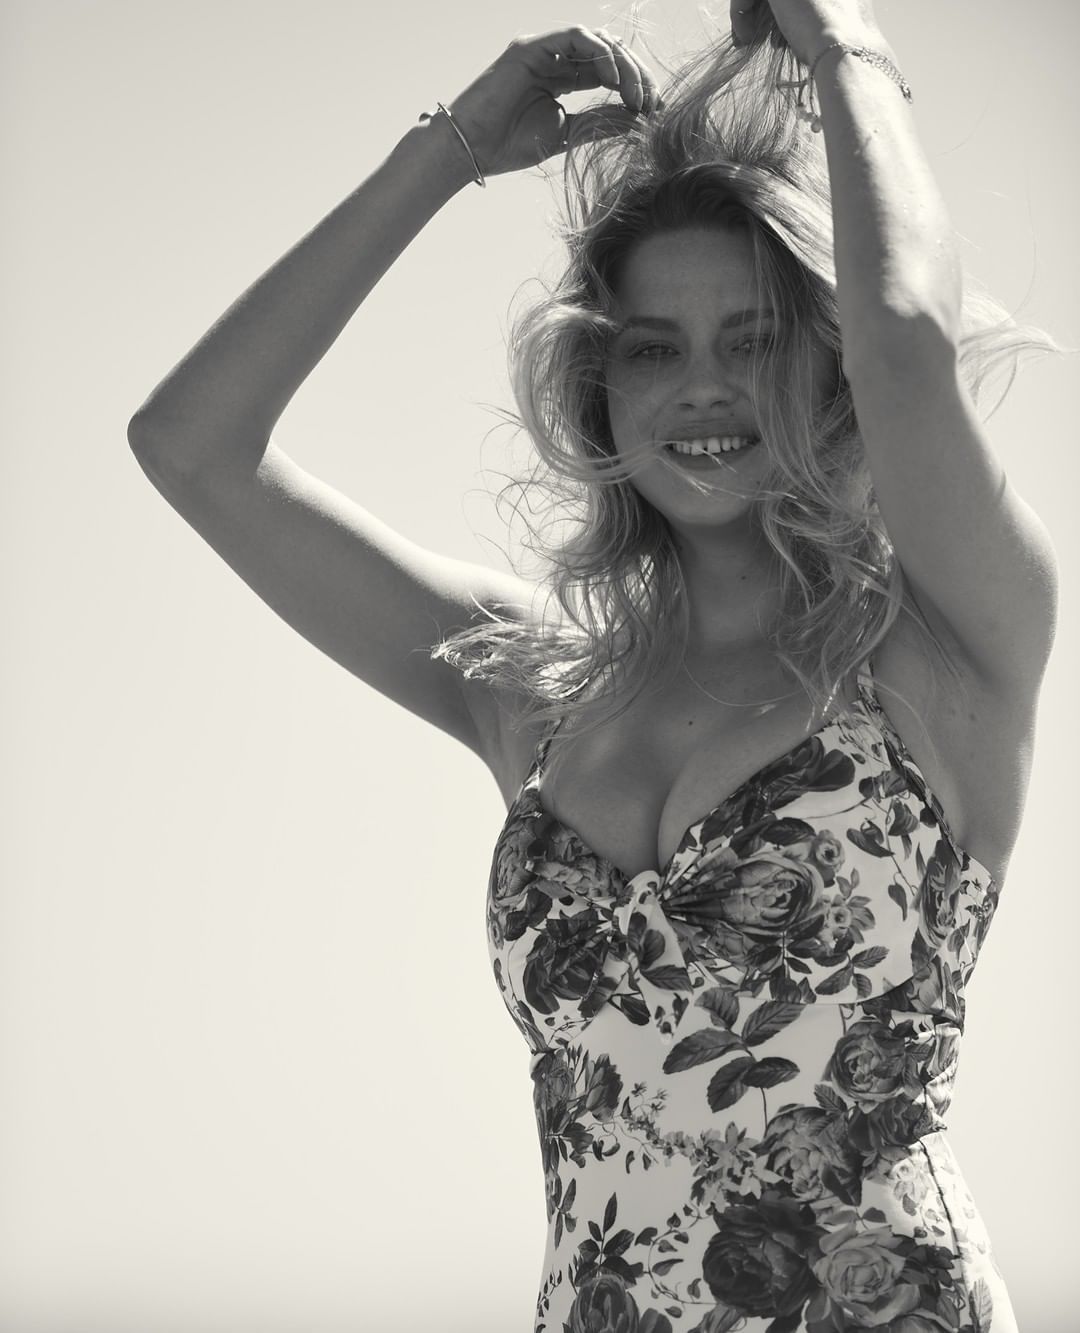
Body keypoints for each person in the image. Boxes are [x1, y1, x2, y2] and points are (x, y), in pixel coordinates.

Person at [128, 2, 1059, 1328]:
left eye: (754, 339)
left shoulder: (942, 641)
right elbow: (193, 447)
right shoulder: (535, 689)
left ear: (829, 362)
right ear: (598, 387)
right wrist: (444, 153)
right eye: (652, 347)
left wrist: (846, 47)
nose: (703, 387)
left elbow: (908, 343)